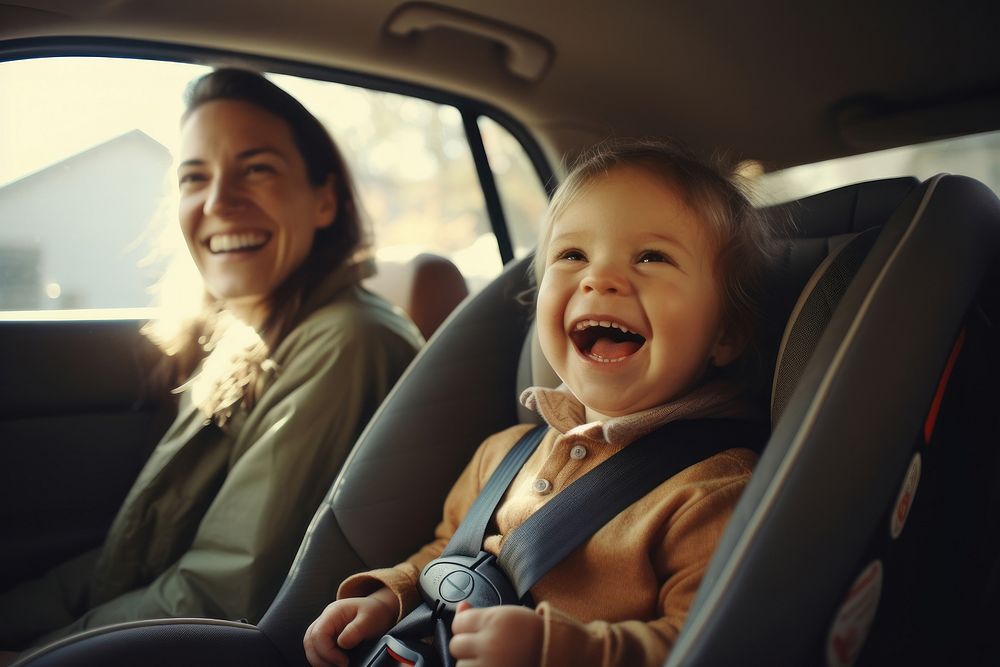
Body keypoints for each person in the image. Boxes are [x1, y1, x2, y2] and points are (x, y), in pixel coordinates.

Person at [302, 138, 780, 667]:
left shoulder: (713, 492)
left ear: (726, 334)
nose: (600, 278)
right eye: (573, 255)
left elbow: (703, 645)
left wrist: (555, 652)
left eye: (652, 257)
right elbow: (449, 557)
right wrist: (389, 598)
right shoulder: (504, 454)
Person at [0, 68, 423, 650]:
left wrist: (30, 656)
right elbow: (130, 561)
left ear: (324, 200)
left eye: (257, 169)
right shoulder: (252, 335)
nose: (219, 201)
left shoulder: (347, 344)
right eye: (194, 177)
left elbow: (221, 592)